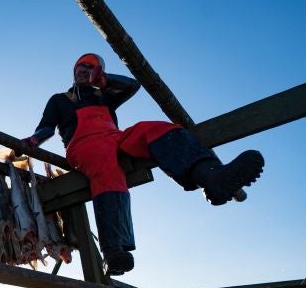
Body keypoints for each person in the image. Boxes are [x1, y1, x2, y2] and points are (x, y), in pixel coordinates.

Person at [24, 53, 264, 276]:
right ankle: (113, 250)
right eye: (81, 66)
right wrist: (35, 139)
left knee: (158, 129)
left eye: (91, 67)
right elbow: (47, 126)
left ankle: (212, 178)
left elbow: (132, 86)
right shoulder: (59, 100)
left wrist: (105, 80)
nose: (84, 70)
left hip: (115, 137)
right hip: (83, 144)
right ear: (73, 71)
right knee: (106, 169)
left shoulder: (103, 96)